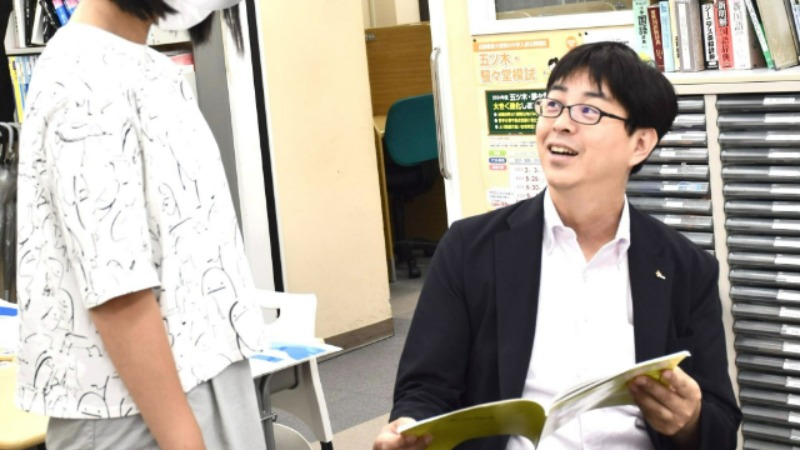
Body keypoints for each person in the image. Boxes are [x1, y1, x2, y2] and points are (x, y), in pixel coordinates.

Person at [373, 41, 741, 450]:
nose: (561, 124)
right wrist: (409, 427)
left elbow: (720, 426)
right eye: (553, 105)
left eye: (588, 111)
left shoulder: (686, 267)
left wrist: (690, 421)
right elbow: (425, 389)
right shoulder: (468, 249)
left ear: (639, 144)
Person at [15, 0, 268, 448]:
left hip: (201, 380)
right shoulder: (82, 76)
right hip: (141, 412)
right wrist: (183, 438)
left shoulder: (146, 65)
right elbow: (117, 290)